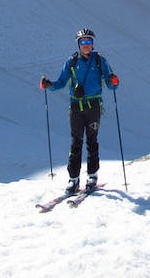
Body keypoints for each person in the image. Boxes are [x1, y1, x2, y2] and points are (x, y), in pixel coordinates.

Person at [40, 28, 119, 193]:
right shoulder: (71, 62)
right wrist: (49, 85)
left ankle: (92, 176)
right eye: (82, 42)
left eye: (88, 42)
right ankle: (73, 179)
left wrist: (114, 81)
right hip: (76, 107)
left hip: (93, 106)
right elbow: (61, 82)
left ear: (93, 44)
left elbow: (111, 84)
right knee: (76, 143)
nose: (85, 45)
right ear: (78, 44)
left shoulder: (100, 61)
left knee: (92, 142)